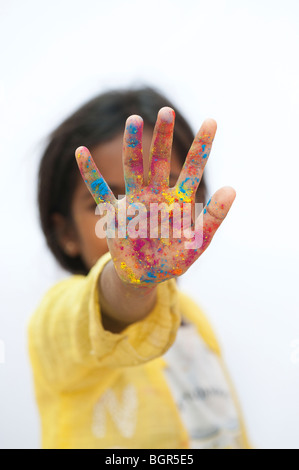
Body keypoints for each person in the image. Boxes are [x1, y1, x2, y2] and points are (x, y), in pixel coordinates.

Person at [28, 86, 250, 449]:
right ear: (66, 231)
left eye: (167, 194)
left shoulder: (195, 321)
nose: (140, 221)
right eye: (111, 204)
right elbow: (105, 308)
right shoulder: (52, 324)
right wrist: (131, 283)